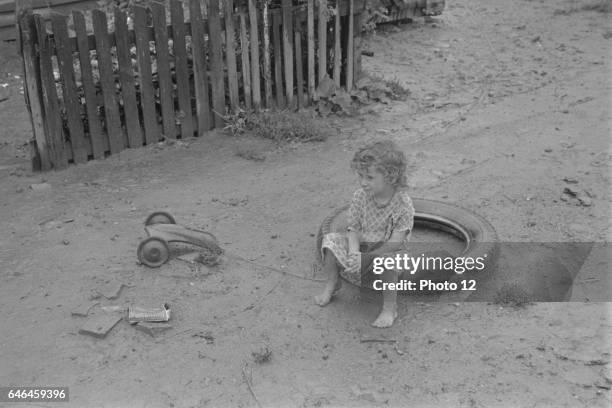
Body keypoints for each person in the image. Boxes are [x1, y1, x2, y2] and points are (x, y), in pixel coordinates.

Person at [315, 140, 414, 328]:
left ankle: (389, 308)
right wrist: (354, 253)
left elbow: (396, 242)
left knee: (389, 262)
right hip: (362, 248)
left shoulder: (403, 203)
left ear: (390, 177)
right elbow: (353, 228)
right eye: (361, 176)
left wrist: (369, 258)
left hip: (390, 251)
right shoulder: (360, 196)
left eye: (369, 177)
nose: (363, 182)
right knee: (330, 241)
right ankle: (333, 284)